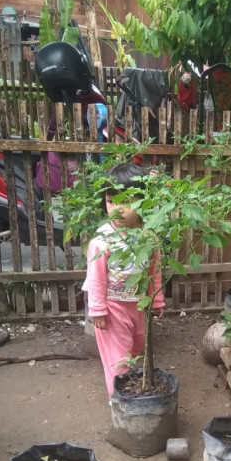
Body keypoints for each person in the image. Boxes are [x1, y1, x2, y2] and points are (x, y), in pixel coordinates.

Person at [83, 163, 165, 396]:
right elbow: (96, 278)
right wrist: (97, 310)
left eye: (126, 201)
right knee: (118, 359)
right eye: (111, 201)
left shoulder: (149, 236)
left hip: (139, 305)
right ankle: (118, 399)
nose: (117, 209)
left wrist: (156, 301)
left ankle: (129, 388)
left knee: (137, 346)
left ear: (143, 200)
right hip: (113, 307)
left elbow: (154, 270)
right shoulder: (102, 241)